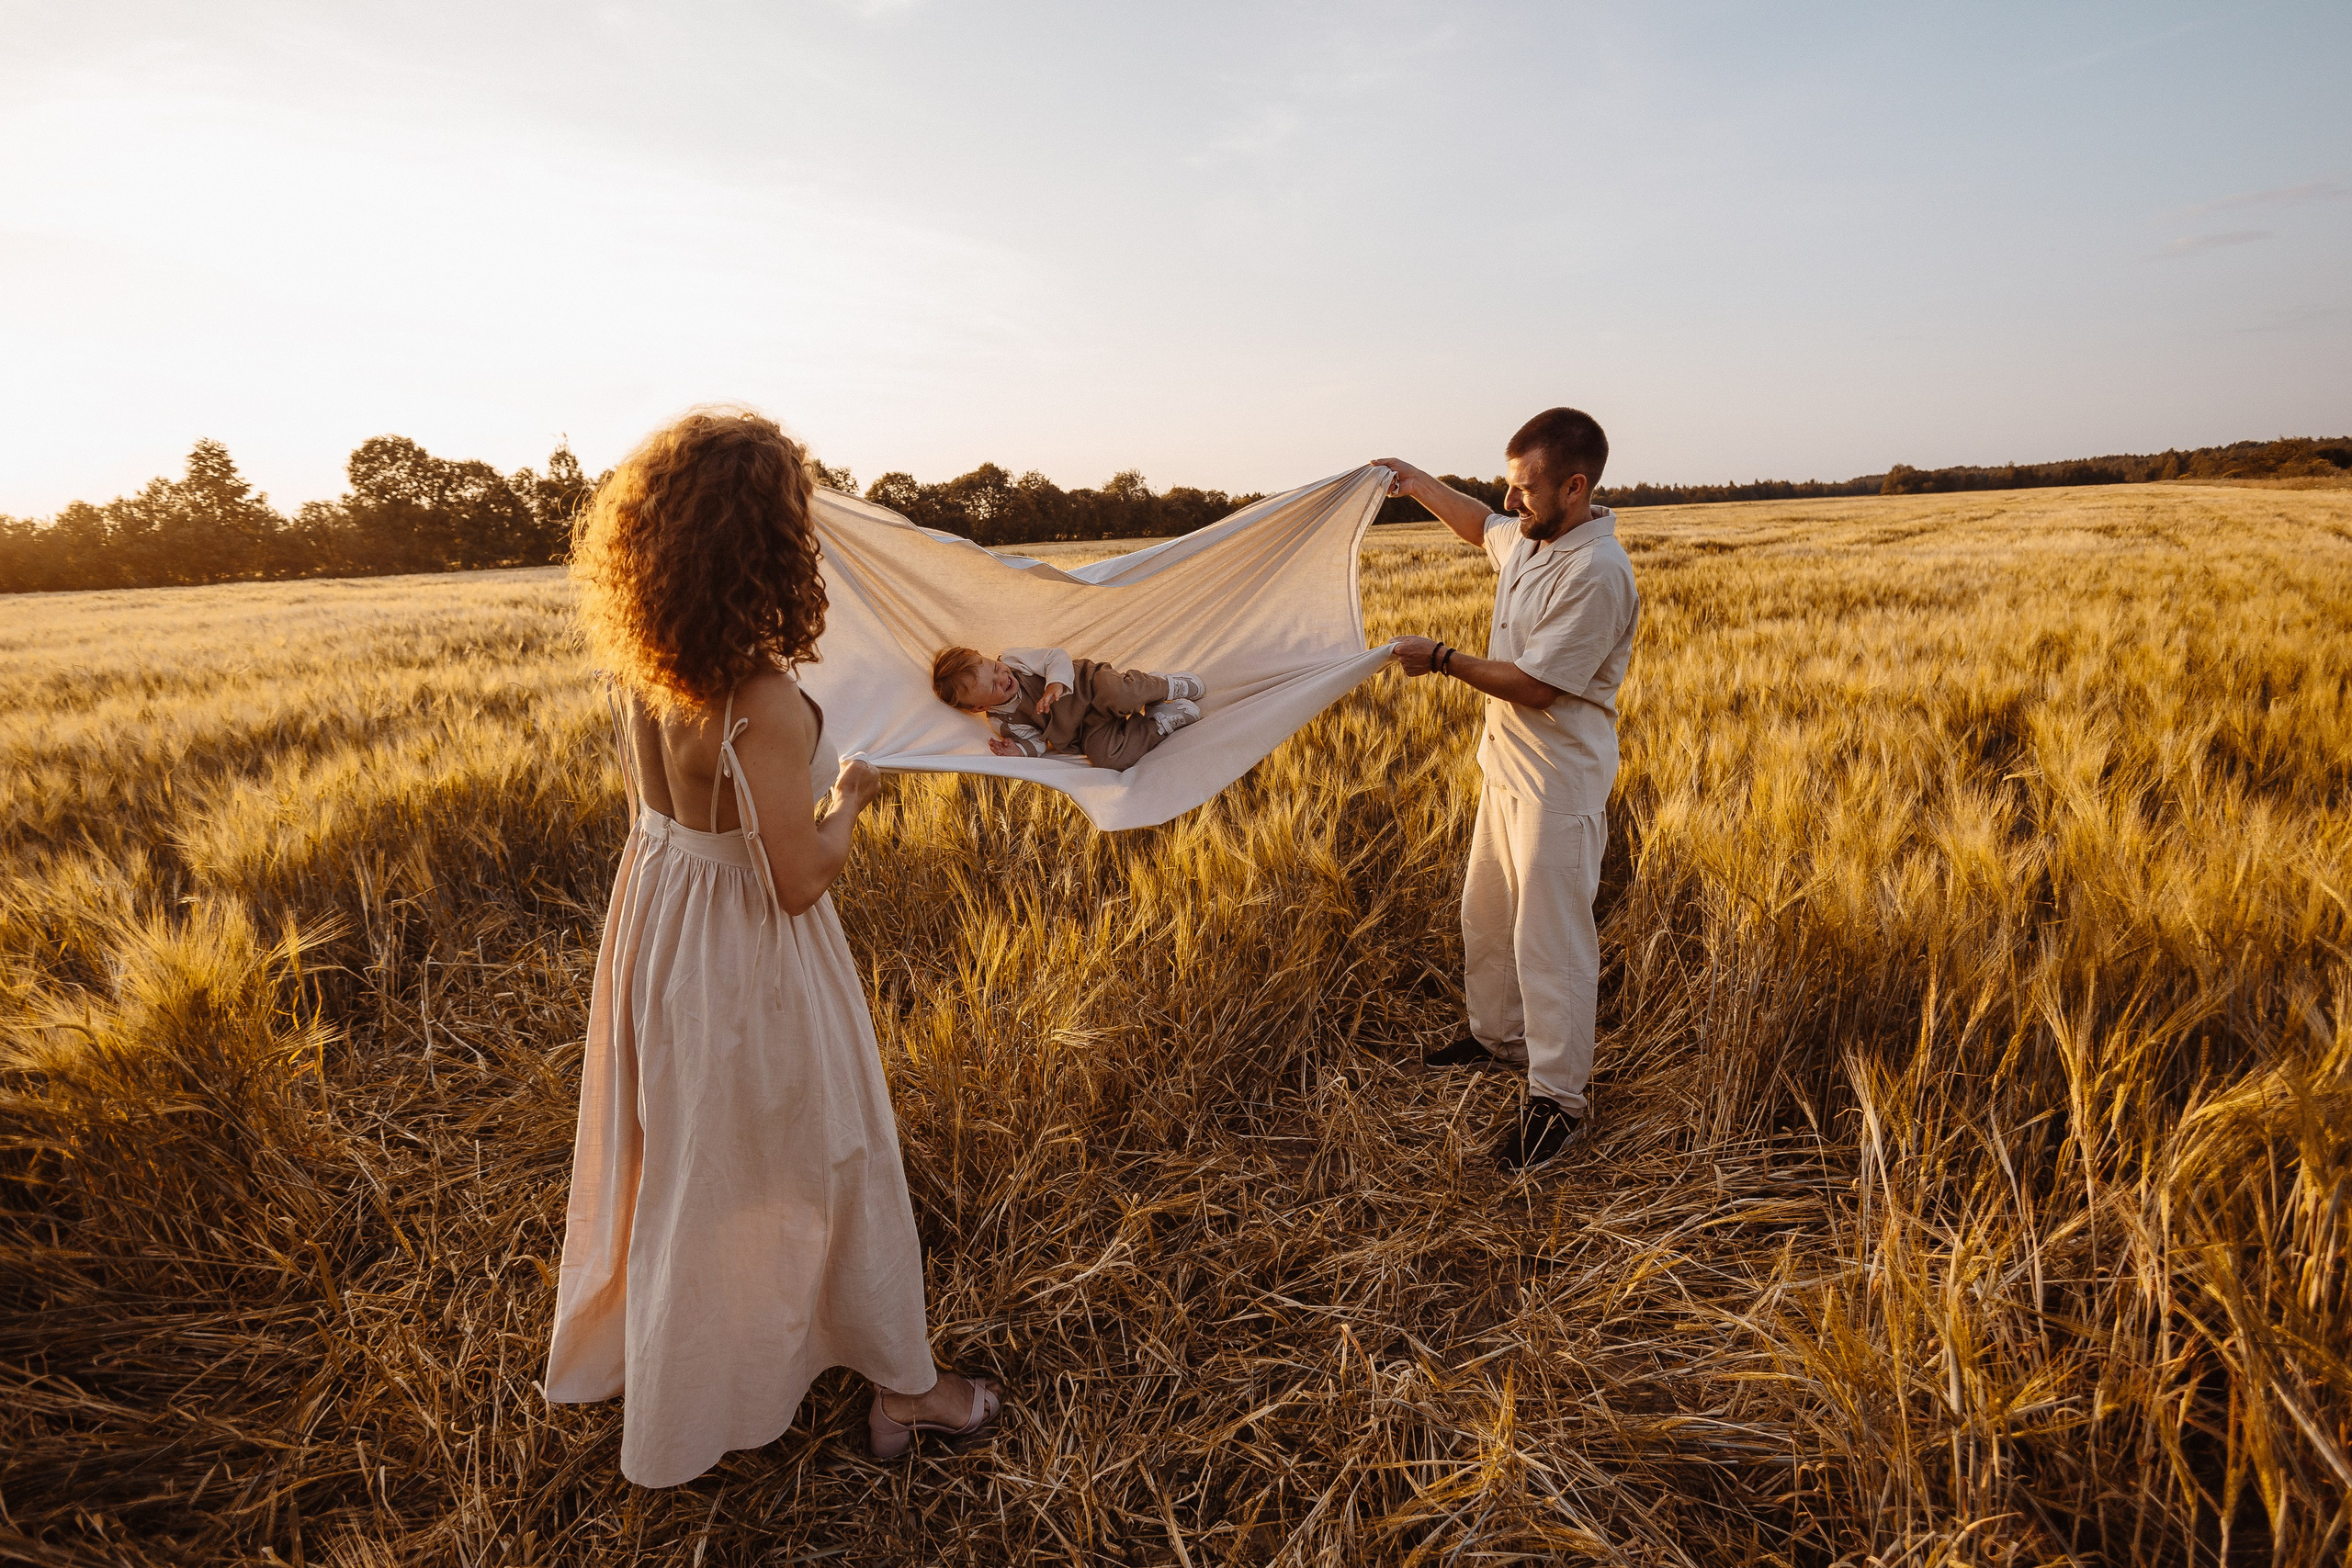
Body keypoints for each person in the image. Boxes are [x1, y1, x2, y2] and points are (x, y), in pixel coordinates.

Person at [546, 409, 1004, 1486]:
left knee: (695, 1163)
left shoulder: (648, 666)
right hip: (749, 947)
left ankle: (702, 1369)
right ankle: (907, 1389)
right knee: (840, 1156)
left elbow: (676, 819)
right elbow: (797, 879)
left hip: (661, 928)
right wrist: (853, 796)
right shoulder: (760, 698)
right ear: (766, 542)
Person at [1373, 407, 1641, 1173]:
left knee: (1550, 945)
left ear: (1576, 486)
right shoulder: (1533, 536)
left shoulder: (1596, 572)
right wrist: (1414, 480)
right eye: (1510, 483)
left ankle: (1558, 1100)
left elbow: (1535, 686)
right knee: (1485, 916)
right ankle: (1497, 1040)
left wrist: (1442, 657)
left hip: (1559, 783)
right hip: (1505, 770)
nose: (1511, 500)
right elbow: (1477, 523)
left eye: (1526, 488)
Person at [931, 645, 1204, 768]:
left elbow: (1056, 656)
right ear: (980, 708)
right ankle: (1157, 722)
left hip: (1091, 685)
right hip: (1087, 729)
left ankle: (1166, 685)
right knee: (1107, 759)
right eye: (992, 687)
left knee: (1119, 692)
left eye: (994, 667)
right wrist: (1019, 751)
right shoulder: (1003, 722)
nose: (1003, 677)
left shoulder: (1015, 659)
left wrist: (1055, 685)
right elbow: (1036, 741)